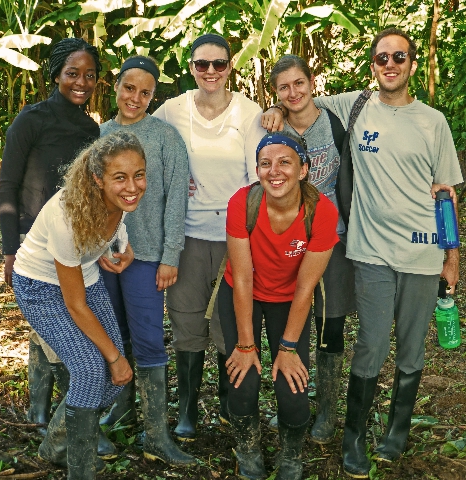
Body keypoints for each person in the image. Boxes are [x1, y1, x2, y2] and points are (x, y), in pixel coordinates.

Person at [262, 27, 463, 478]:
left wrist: (451, 256)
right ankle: (353, 436)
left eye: (398, 57)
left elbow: (446, 194)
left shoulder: (433, 122)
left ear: (411, 64)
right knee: (370, 345)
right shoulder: (354, 107)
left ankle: (397, 431)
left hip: (423, 254)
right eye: (381, 58)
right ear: (372, 66)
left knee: (412, 350)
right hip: (369, 251)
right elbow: (299, 101)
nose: (389, 65)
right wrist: (276, 106)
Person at [0, 37, 116, 457]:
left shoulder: (90, 129)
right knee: (55, 336)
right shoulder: (31, 120)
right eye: (72, 74)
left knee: (70, 334)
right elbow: (8, 185)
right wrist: (10, 248)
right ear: (56, 75)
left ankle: (63, 417)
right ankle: (52, 418)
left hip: (73, 240)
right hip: (34, 240)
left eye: (89, 75)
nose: (81, 82)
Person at [11, 131, 145, 479]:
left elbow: (115, 223)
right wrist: (113, 357)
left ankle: (56, 444)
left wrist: (120, 246)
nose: (133, 186)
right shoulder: (67, 215)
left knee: (117, 378)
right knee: (92, 369)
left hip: (84, 277)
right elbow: (75, 304)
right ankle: (80, 469)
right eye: (120, 177)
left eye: (139, 174)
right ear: (98, 179)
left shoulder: (121, 200)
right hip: (40, 288)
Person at [153, 32, 266, 441]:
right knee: (185, 318)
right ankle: (187, 408)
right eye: (202, 64)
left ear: (230, 66)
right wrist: (165, 181)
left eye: (219, 64)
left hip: (234, 235)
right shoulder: (173, 110)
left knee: (228, 323)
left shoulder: (248, 113)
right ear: (191, 67)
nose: (211, 72)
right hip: (185, 234)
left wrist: (251, 236)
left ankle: (226, 403)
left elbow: (259, 178)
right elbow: (146, 143)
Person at [220, 132, 338, 480]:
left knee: (292, 389)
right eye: (266, 163)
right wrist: (245, 345)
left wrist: (287, 347)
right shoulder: (242, 203)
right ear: (256, 169)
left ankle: (291, 455)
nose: (275, 171)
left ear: (303, 169)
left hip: (290, 300)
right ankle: (248, 449)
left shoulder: (322, 212)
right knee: (244, 382)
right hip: (244, 295)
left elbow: (306, 288)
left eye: (285, 162)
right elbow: (242, 278)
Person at [97, 55, 195, 465]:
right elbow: (89, 197)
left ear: (154, 96)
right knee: (110, 337)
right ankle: (119, 419)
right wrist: (96, 247)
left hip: (149, 256)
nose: (135, 97)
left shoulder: (165, 137)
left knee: (150, 341)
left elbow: (176, 199)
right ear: (116, 87)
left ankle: (155, 434)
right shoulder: (99, 134)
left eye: (145, 92)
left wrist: (170, 255)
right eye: (129, 87)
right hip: (103, 257)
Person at [263, 54, 355, 444]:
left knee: (330, 324)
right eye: (284, 87)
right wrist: (271, 111)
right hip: (289, 240)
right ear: (276, 93)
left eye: (299, 83)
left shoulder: (335, 117)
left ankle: (328, 413)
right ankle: (295, 400)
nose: (293, 92)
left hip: (332, 235)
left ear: (312, 82)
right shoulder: (272, 127)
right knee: (290, 321)